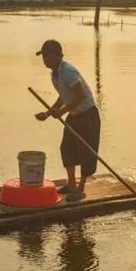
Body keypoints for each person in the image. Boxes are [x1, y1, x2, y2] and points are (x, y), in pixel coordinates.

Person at [34, 39, 101, 202]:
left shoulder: (68, 71)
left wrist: (62, 112)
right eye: (44, 57)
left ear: (58, 56)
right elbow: (64, 96)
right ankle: (71, 184)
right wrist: (49, 113)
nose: (45, 60)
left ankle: (80, 189)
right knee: (67, 147)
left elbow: (80, 95)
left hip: (87, 115)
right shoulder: (55, 74)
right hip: (74, 114)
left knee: (86, 151)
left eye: (48, 57)